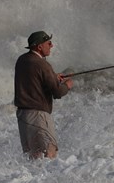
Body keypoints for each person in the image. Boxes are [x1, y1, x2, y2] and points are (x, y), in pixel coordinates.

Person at [14, 31, 73, 159]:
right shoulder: (42, 64)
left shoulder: (22, 60)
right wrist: (67, 86)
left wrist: (54, 76)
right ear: (39, 47)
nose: (51, 46)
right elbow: (57, 92)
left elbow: (33, 78)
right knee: (50, 153)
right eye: (49, 43)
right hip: (38, 115)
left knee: (35, 157)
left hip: (23, 116)